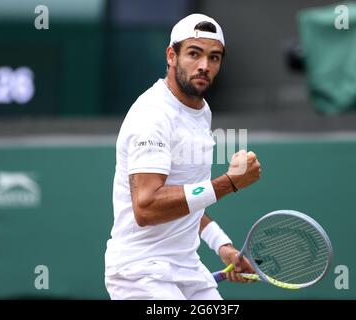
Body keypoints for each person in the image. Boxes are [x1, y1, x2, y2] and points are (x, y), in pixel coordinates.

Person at [104, 13, 261, 300]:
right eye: (194, 54)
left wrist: (222, 245)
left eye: (214, 58)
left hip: (188, 269)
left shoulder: (201, 111)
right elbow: (147, 207)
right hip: (141, 273)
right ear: (171, 55)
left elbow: (189, 196)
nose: (204, 66)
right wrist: (229, 182)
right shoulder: (152, 115)